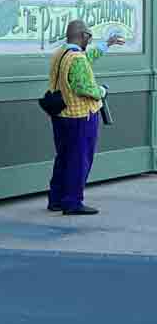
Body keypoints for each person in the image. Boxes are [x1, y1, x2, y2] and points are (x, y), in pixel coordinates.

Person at [46, 19, 126, 216]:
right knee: (79, 159)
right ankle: (73, 202)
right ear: (83, 36)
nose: (89, 42)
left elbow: (86, 58)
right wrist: (102, 91)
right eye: (89, 37)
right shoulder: (77, 59)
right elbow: (84, 88)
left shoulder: (61, 54)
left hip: (61, 115)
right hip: (80, 117)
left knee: (63, 157)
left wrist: (106, 44)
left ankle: (56, 199)